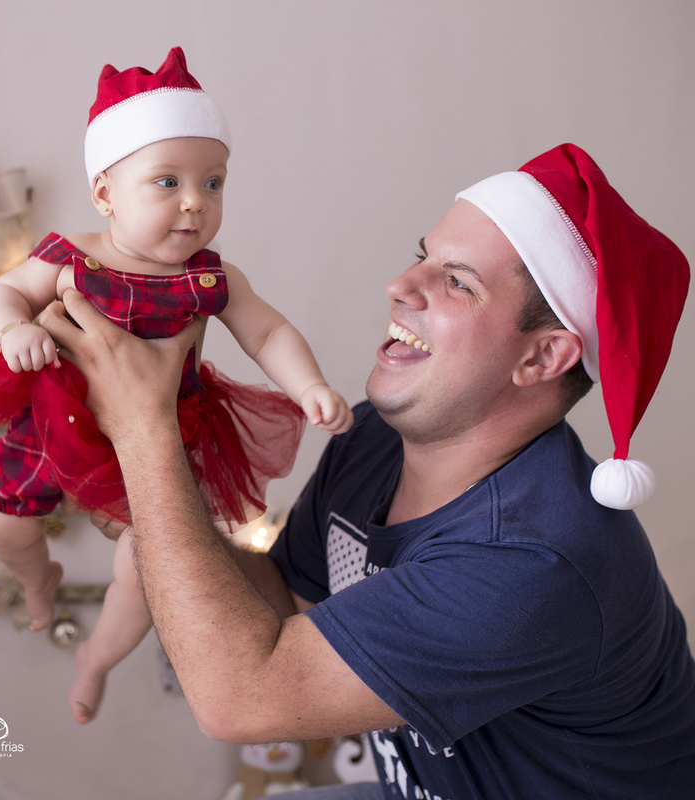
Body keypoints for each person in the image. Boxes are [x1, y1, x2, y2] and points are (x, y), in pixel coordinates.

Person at [39, 143, 695, 798]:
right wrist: (141, 497)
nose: (401, 286)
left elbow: (242, 698)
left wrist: (144, 431)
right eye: (422, 257)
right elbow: (282, 603)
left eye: (458, 281)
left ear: (542, 357)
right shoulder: (376, 439)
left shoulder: (531, 562)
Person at [0, 47, 352, 724]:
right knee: (3, 521)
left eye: (213, 183)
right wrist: (13, 332)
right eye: (168, 183)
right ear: (105, 193)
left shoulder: (212, 278)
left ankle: (97, 655)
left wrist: (309, 385)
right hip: (56, 419)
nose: (195, 203)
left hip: (161, 437)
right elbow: (5, 292)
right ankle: (38, 581)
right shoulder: (71, 253)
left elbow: (267, 332)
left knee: (147, 571)